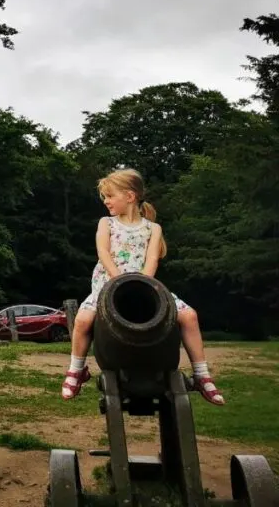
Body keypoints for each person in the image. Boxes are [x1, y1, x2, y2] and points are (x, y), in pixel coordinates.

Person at [61, 169, 224, 406]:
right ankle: (76, 370)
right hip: (107, 285)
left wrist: (143, 285)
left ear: (129, 196)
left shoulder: (152, 229)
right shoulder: (106, 223)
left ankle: (201, 375)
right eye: (104, 197)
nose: (106, 201)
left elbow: (151, 260)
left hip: (144, 285)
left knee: (189, 316)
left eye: (109, 195)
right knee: (83, 321)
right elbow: (103, 252)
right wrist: (118, 281)